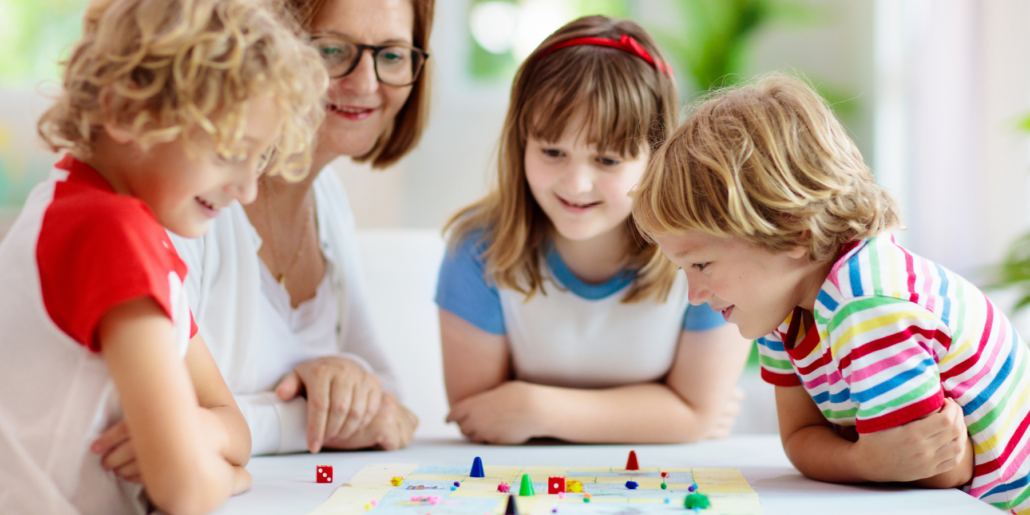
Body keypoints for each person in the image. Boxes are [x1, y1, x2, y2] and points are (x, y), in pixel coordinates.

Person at [632, 74, 1030, 512]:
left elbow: (934, 471)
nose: (694, 295)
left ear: (793, 233)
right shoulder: (780, 306)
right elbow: (801, 439)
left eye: (701, 265)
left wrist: (870, 459)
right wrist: (867, 459)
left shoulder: (866, 303)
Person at [0, 0, 327, 513]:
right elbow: (186, 491)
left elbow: (230, 422)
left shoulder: (118, 224)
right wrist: (229, 476)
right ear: (127, 111)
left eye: (258, 160)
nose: (246, 190)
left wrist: (198, 435)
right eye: (229, 151)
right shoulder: (108, 233)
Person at [436, 15, 752, 445]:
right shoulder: (477, 250)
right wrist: (664, 416)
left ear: (657, 155)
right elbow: (481, 416)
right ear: (520, 143)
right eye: (552, 151)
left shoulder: (707, 248)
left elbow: (695, 414)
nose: (576, 184)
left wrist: (534, 409)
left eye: (607, 160)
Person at [169, 0, 433, 455]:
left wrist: (341, 375)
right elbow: (162, 424)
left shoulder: (327, 198)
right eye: (331, 51)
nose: (366, 83)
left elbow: (392, 408)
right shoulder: (190, 196)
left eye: (391, 55)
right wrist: (308, 419)